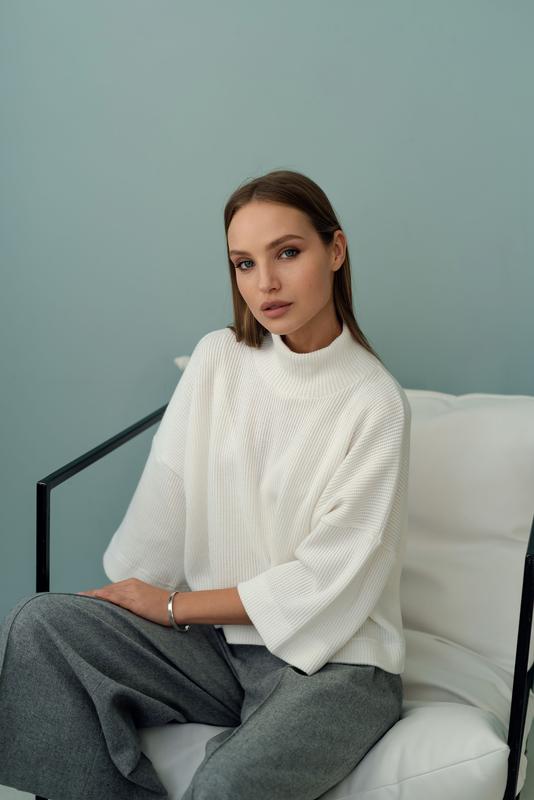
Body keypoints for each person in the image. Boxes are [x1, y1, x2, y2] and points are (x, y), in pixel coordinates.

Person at [0, 169, 411, 800]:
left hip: (337, 664)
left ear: (336, 250)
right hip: (218, 652)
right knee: (37, 626)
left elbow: (322, 583)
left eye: (287, 253)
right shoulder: (218, 360)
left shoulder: (375, 403)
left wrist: (172, 607)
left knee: (224, 785)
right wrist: (122, 607)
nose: (265, 283)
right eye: (244, 263)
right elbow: (166, 507)